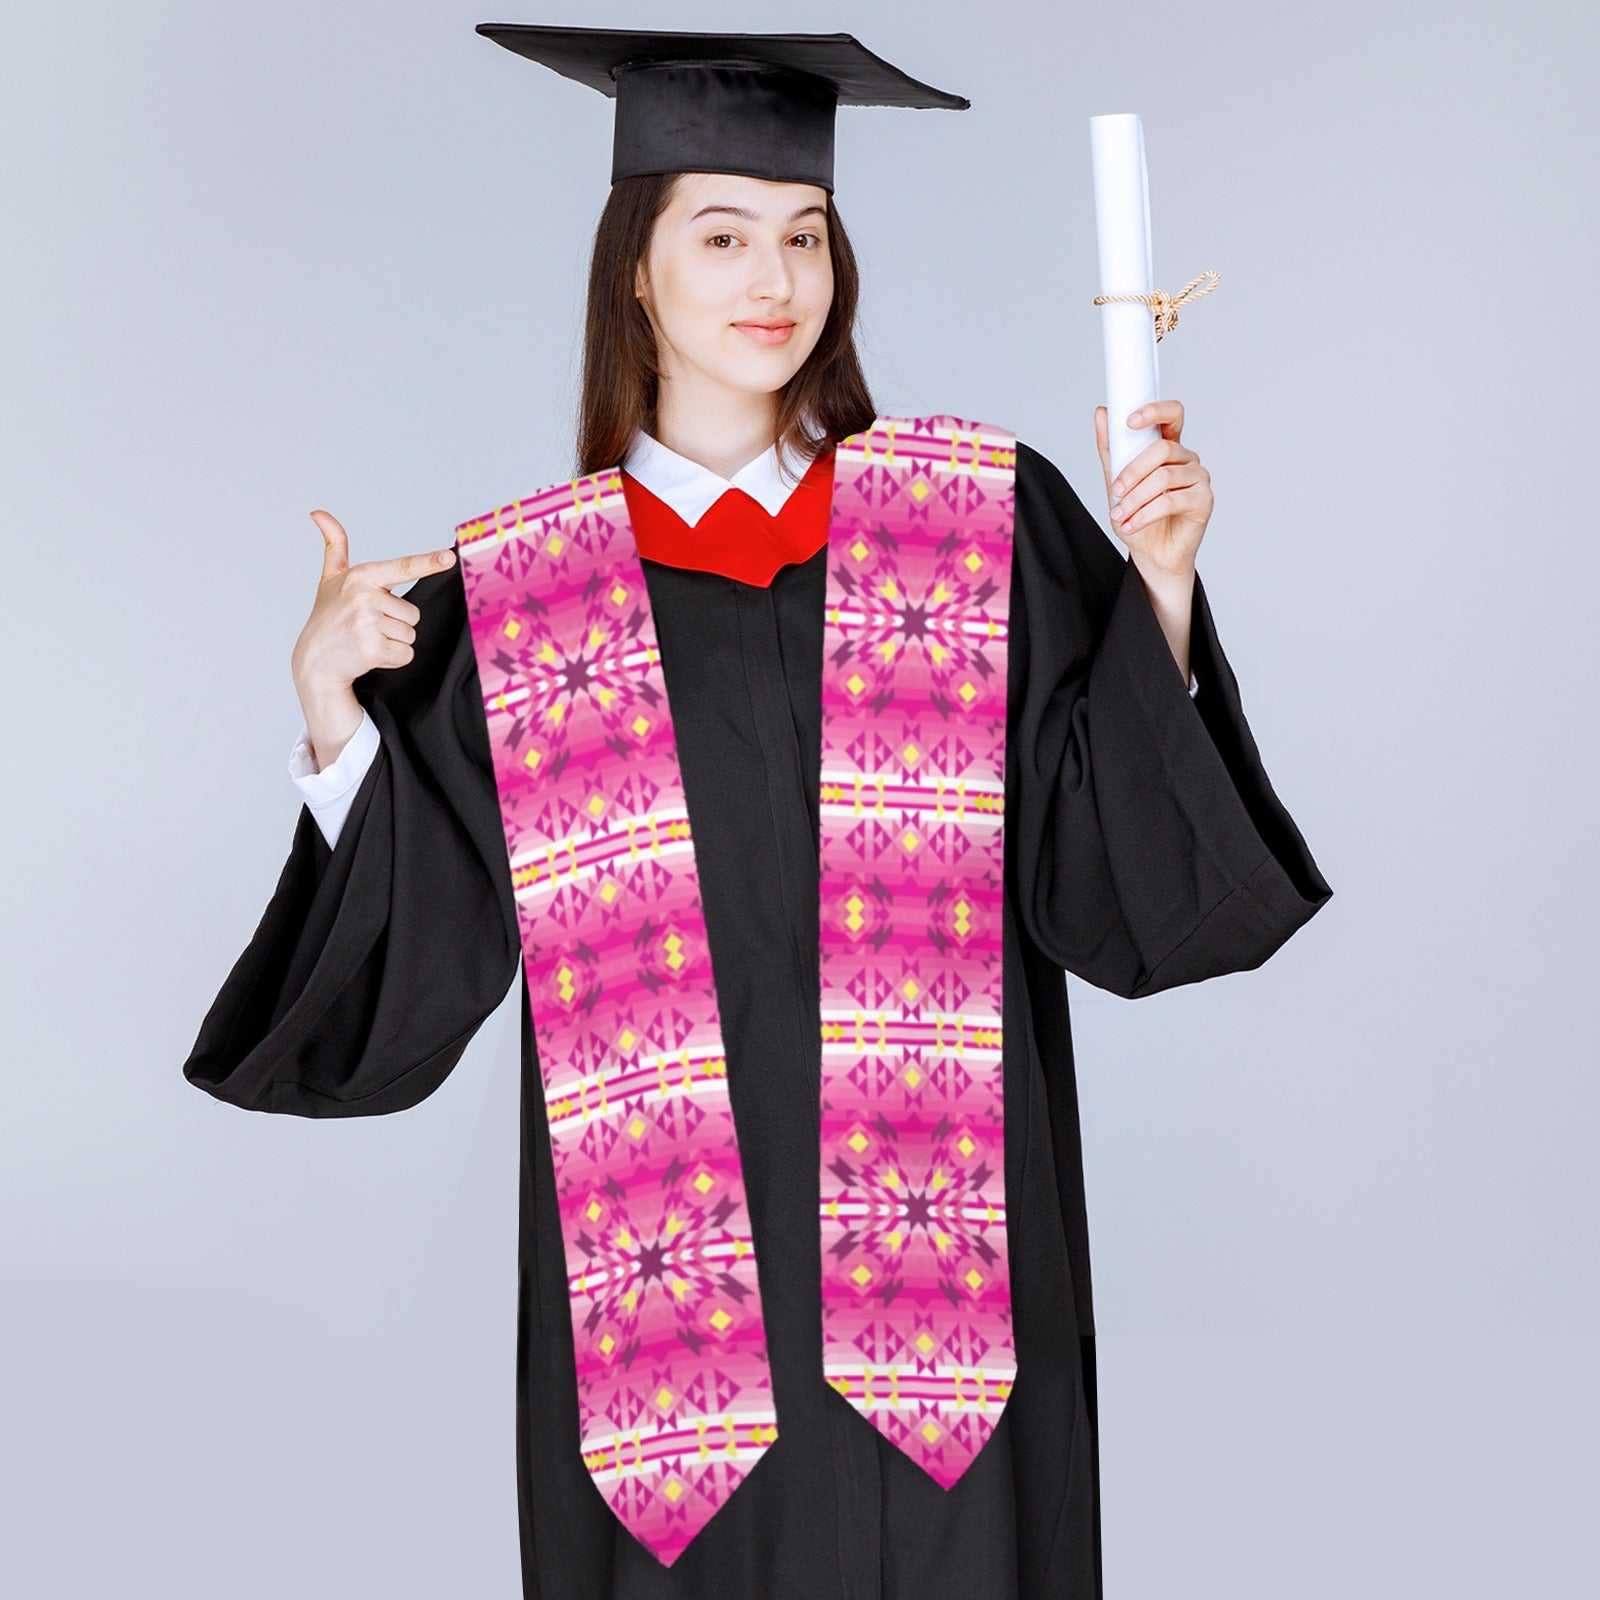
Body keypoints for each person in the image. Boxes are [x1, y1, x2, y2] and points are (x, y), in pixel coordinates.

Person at [183, 23, 1333, 1600]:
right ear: (635, 273)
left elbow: (1112, 881)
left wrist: (1165, 594)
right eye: (719, 235)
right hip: (670, 1376)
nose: (772, 276)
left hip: (954, 1334)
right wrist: (332, 715)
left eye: (804, 235)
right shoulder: (528, 594)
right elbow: (416, 959)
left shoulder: (972, 521)